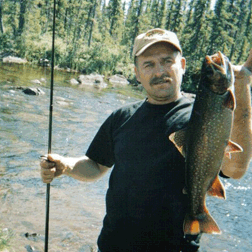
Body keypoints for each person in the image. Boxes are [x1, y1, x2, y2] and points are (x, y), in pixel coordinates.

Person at [40, 28, 251, 252]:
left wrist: (242, 86)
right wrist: (67, 166)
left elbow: (236, 169)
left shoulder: (202, 118)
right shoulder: (121, 117)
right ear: (137, 73)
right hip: (113, 245)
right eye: (148, 64)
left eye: (167, 61)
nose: (159, 71)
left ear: (182, 66)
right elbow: (96, 165)